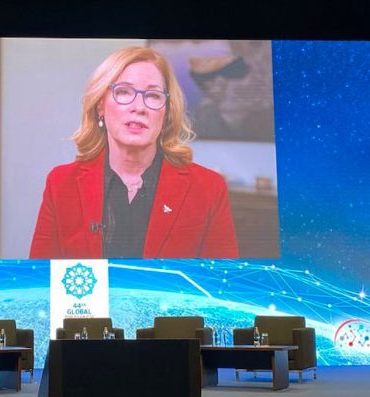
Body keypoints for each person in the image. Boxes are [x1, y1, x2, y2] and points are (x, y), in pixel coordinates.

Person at [29, 46, 238, 259]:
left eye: (153, 95)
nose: (139, 107)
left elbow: (220, 277)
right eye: (123, 92)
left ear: (166, 112)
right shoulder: (61, 184)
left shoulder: (209, 188)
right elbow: (40, 275)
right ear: (100, 106)